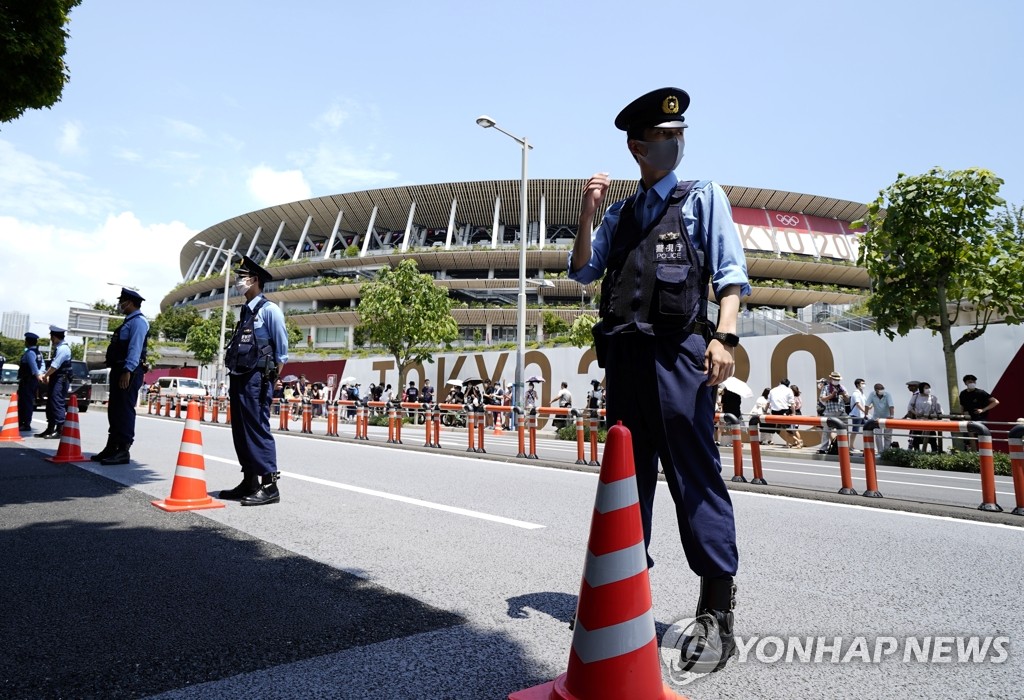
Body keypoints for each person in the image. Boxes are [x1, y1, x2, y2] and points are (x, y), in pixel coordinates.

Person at [569, 87, 749, 670]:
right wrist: (589, 211)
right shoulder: (619, 214)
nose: (678, 143)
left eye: (680, 135)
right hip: (624, 361)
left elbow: (730, 274)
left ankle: (716, 609)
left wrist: (724, 338)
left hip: (680, 357)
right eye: (668, 137)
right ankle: (624, 595)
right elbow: (581, 272)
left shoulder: (702, 197)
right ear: (638, 147)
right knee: (627, 481)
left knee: (694, 476)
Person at [218, 255, 289, 506]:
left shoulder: (270, 311)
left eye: (242, 277)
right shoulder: (246, 311)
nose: (238, 281)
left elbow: (282, 352)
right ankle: (249, 480)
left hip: (258, 379)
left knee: (257, 428)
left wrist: (272, 378)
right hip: (240, 377)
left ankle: (269, 485)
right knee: (241, 429)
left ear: (255, 280)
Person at [92, 288, 151, 465]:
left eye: (122, 301)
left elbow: (135, 348)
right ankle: (112, 446)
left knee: (124, 410)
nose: (120, 304)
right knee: (115, 410)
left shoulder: (139, 322)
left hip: (129, 371)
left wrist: (127, 370)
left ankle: (123, 450)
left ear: (131, 303)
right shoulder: (129, 321)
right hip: (120, 369)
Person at [36, 326, 73, 439]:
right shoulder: (59, 347)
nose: (51, 339)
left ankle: (60, 429)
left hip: (61, 379)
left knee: (57, 402)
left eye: (51, 337)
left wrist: (46, 375)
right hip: (57, 378)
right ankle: (50, 428)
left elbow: (55, 366)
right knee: (51, 402)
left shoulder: (63, 349)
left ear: (55, 337)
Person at [17, 332, 46, 431]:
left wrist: (38, 375)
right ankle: (25, 422)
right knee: (28, 401)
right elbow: (42, 365)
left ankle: (25, 423)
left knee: (25, 402)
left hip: (28, 380)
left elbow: (33, 366)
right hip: (33, 380)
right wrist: (41, 374)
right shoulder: (39, 353)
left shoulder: (29, 353)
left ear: (27, 342)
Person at [817, 372, 849, 454]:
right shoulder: (826, 388)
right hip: (830, 411)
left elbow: (847, 400)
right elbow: (822, 399)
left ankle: (845, 448)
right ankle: (823, 448)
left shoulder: (842, 388)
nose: (836, 381)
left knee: (845, 430)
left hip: (841, 410)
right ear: (831, 379)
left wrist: (844, 395)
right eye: (835, 379)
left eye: (838, 380)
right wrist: (832, 395)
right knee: (826, 430)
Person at [908, 381, 942, 453]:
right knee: (916, 439)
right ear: (921, 389)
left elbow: (938, 409)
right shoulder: (916, 396)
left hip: (930, 421)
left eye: (928, 388)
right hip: (919, 421)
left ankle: (934, 452)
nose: (928, 389)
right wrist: (916, 413)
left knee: (932, 439)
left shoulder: (933, 398)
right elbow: (910, 407)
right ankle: (917, 453)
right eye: (926, 388)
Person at [767, 379, 801, 448]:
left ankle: (797, 441)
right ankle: (793, 442)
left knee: (787, 429)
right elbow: (792, 404)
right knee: (788, 429)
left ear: (779, 383)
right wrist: (793, 413)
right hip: (785, 412)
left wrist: (765, 410)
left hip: (774, 413)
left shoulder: (773, 390)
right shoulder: (789, 391)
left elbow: (768, 403)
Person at [865, 382, 896, 450]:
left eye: (883, 388)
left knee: (887, 436)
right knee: (878, 435)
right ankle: (880, 452)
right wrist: (866, 415)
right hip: (877, 418)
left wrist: (892, 416)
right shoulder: (872, 394)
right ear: (876, 390)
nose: (882, 390)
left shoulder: (887, 394)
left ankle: (886, 451)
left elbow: (891, 406)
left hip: (887, 418)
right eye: (880, 388)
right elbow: (867, 405)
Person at [849, 378, 867, 452]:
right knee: (855, 430)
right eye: (862, 383)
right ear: (857, 385)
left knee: (867, 428)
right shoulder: (856, 393)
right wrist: (865, 411)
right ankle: (851, 446)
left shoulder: (862, 393)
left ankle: (867, 446)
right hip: (856, 414)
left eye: (864, 383)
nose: (864, 385)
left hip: (862, 415)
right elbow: (858, 404)